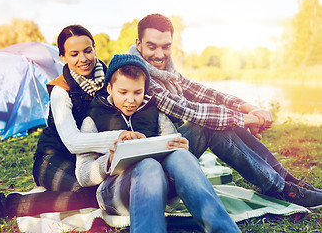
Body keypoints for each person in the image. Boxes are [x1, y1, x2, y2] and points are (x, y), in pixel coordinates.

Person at [128, 13, 322, 209]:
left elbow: (203, 92)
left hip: (173, 149)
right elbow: (188, 110)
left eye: (166, 46)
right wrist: (247, 120)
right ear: (139, 43)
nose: (160, 54)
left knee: (223, 119)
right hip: (151, 167)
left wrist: (249, 108)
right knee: (209, 123)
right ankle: (280, 189)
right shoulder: (137, 75)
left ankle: (285, 179)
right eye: (152, 46)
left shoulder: (166, 71)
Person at [0, 25, 137, 231]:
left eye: (88, 50)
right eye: (74, 54)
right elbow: (72, 141)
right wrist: (119, 137)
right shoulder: (60, 91)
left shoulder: (110, 79)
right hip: (52, 159)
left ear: (94, 49)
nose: (83, 58)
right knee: (93, 195)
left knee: (113, 189)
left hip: (90, 161)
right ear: (63, 57)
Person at [76, 54, 242, 233]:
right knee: (148, 165)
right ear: (109, 88)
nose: (131, 100)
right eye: (123, 92)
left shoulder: (156, 113)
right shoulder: (92, 119)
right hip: (115, 193)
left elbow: (172, 144)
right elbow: (83, 175)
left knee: (182, 156)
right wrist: (110, 159)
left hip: (158, 189)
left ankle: (225, 230)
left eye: (137, 92)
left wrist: (181, 147)